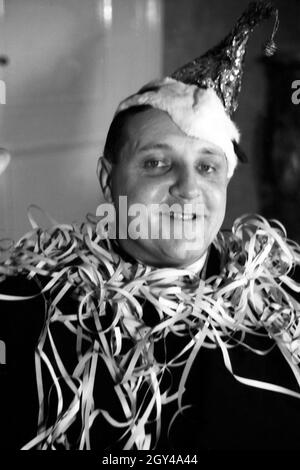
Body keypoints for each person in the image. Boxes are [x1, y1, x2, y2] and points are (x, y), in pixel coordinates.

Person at [1, 1, 300, 452]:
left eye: (207, 167)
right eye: (157, 163)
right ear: (108, 178)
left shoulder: (285, 299)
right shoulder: (27, 309)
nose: (187, 188)